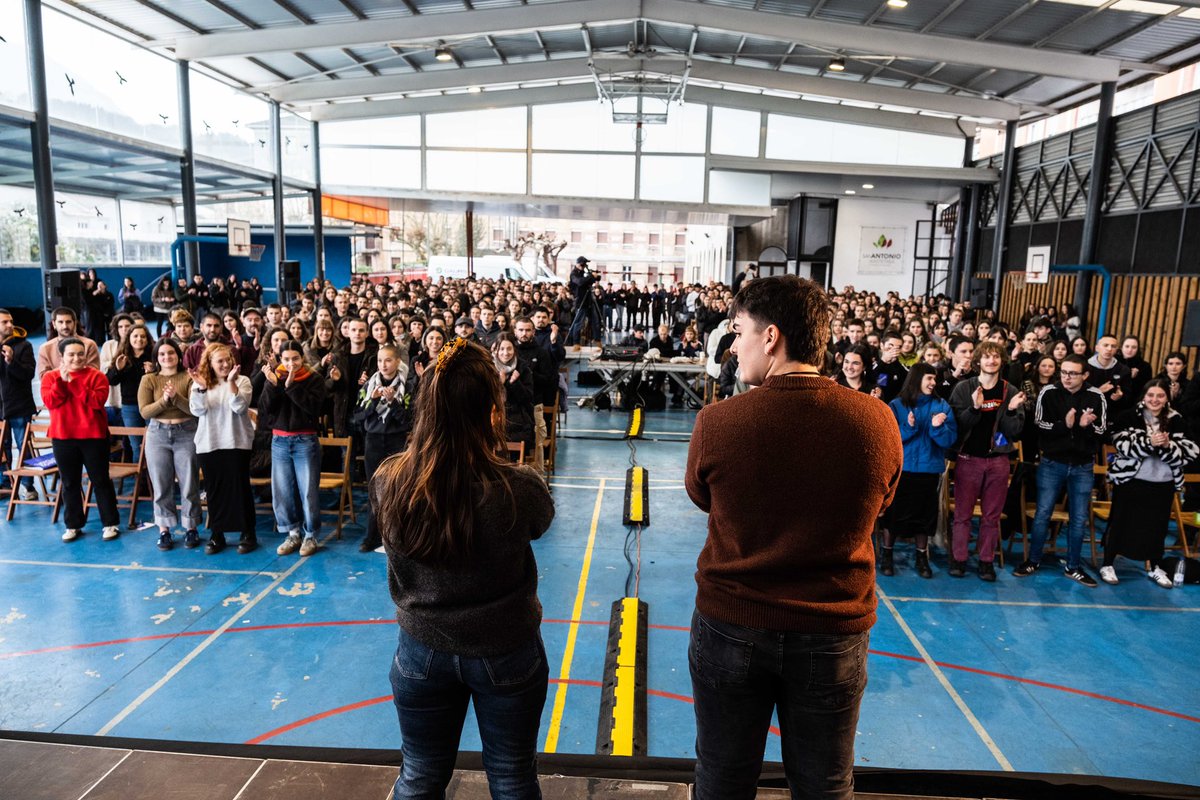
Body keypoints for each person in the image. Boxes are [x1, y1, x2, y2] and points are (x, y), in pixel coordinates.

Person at [684, 275, 902, 800]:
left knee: (722, 778)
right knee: (824, 784)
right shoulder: (875, 421)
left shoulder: (718, 422)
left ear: (772, 337)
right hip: (831, 631)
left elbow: (702, 496)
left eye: (737, 332)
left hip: (733, 623)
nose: (733, 347)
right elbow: (883, 499)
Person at [374, 338, 553, 799]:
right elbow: (541, 519)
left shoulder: (389, 481)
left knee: (419, 775)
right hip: (505, 648)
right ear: (491, 410)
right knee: (513, 777)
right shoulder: (515, 489)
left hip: (421, 650)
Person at [1015, 353, 1107, 586]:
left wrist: (1087, 426)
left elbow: (1102, 431)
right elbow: (1039, 425)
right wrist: (1063, 425)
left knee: (1078, 518)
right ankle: (1033, 560)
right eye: (1063, 372)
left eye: (1072, 373)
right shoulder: (1049, 392)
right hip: (1052, 462)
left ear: (1085, 375)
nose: (1066, 377)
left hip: (1083, 465)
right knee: (1042, 513)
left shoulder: (1096, 396)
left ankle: (1073, 566)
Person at [1101, 380, 1199, 587]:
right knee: (1120, 522)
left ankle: (1155, 566)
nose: (1155, 400)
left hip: (1163, 482)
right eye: (1151, 395)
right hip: (1130, 480)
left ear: (1167, 399)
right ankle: (1108, 563)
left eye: (1160, 396)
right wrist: (1148, 443)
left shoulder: (1177, 420)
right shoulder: (1128, 416)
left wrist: (1167, 445)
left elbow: (1191, 451)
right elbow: (1120, 444)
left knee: (1158, 526)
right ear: (1144, 396)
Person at [947, 341, 1025, 581]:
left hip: (998, 461)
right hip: (969, 459)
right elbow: (957, 426)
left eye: (996, 357)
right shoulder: (963, 388)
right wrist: (974, 407)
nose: (991, 361)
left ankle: (986, 561)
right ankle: (959, 559)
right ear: (978, 361)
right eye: (987, 357)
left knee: (991, 516)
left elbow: (1015, 431)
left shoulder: (1010, 391)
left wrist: (1011, 410)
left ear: (1002, 361)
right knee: (962, 514)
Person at [41, 337, 120, 543]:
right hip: (63, 437)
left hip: (93, 437)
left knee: (100, 480)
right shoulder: (50, 378)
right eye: (71, 354)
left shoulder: (97, 376)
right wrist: (61, 381)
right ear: (62, 357)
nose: (76, 358)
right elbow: (51, 402)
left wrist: (73, 383)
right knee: (69, 483)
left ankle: (110, 523)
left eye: (80, 354)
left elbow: (96, 402)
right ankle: (73, 525)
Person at [883, 363, 957, 578]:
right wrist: (909, 427)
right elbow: (890, 439)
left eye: (935, 379)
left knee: (924, 517)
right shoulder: (897, 405)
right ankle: (887, 554)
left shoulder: (941, 405)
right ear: (916, 380)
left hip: (928, 470)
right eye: (929, 379)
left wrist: (937, 427)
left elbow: (949, 440)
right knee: (893, 514)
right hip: (902, 469)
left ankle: (921, 557)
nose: (934, 383)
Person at [261, 340, 328, 557]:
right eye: (286, 359)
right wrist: (273, 386)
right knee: (282, 491)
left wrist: (291, 386)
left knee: (307, 490)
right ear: (281, 359)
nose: (291, 364)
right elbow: (266, 410)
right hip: (280, 440)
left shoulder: (314, 378)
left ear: (302, 358)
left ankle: (310, 535)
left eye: (295, 359)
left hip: (305, 440)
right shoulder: (274, 377)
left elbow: (314, 409)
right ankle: (293, 532)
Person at [189, 343, 256, 554]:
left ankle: (247, 532)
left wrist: (231, 384)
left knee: (240, 488)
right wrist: (200, 388)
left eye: (228, 360)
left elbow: (240, 407)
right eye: (220, 361)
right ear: (210, 363)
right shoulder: (200, 383)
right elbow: (197, 410)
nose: (225, 364)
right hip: (209, 443)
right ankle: (217, 534)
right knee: (214, 490)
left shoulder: (242, 380)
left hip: (237, 441)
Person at [139, 340, 202, 550]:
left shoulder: (188, 378)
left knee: (189, 482)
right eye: (163, 354)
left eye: (171, 353)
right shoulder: (149, 379)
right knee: (161, 483)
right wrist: (164, 401)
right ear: (157, 357)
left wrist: (175, 398)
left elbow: (194, 409)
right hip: (158, 434)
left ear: (178, 355)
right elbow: (145, 412)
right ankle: (164, 530)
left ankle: (191, 528)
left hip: (186, 432)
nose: (167, 357)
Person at [0, 308, 38, 500]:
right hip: (0, 408)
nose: (10, 325)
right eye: (5, 322)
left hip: (19, 405)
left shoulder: (24, 346)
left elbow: (28, 374)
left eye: (10, 321)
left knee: (25, 446)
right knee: (1, 448)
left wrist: (11, 361)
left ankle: (27, 484)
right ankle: (5, 484)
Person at [105, 323, 155, 464]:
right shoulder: (122, 357)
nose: (139, 339)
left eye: (143, 336)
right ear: (129, 339)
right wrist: (118, 369)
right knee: (136, 447)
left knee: (153, 445)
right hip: (130, 407)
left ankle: (154, 480)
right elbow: (111, 381)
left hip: (152, 405)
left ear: (147, 339)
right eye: (135, 336)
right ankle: (141, 484)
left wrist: (153, 373)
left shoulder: (153, 356)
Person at [493, 333, 536, 457]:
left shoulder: (523, 368)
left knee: (514, 459)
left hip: (518, 421)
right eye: (502, 349)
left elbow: (528, 398)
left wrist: (513, 383)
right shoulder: (489, 368)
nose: (505, 353)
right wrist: (498, 384)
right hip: (494, 420)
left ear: (515, 349)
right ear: (496, 350)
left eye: (509, 348)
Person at [37, 307, 100, 379]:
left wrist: (63, 373)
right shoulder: (45, 348)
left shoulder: (89, 345)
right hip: (57, 389)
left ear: (75, 323)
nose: (65, 326)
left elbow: (94, 374)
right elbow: (44, 377)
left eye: (68, 322)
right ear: (54, 324)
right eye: (60, 322)